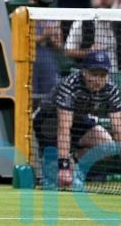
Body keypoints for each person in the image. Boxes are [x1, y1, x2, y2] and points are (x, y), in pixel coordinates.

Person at [33, 50, 121, 189]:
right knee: (53, 183)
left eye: (102, 75)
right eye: (94, 74)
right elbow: (64, 128)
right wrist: (63, 167)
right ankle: (55, 165)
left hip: (79, 119)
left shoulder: (111, 90)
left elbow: (118, 127)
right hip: (48, 121)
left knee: (108, 146)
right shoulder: (69, 86)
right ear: (84, 72)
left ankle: (74, 163)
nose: (98, 79)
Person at [64, 0, 120, 72]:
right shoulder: (81, 22)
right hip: (87, 74)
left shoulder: (118, 23)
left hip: (114, 73)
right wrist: (88, 52)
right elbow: (68, 51)